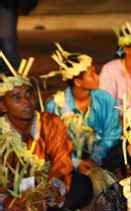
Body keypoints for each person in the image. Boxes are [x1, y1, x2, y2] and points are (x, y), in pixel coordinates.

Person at [0, 53, 80, 211]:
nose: (27, 102)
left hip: (46, 192)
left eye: (28, 94)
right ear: (3, 106)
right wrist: (8, 200)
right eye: (16, 98)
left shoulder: (51, 122)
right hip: (13, 196)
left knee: (82, 185)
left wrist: (46, 192)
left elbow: (62, 163)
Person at [44, 44, 122, 177]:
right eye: (91, 74)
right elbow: (53, 143)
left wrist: (95, 158)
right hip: (69, 162)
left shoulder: (104, 99)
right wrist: (76, 163)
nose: (97, 77)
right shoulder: (56, 106)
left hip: (102, 158)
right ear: (78, 82)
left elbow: (112, 134)